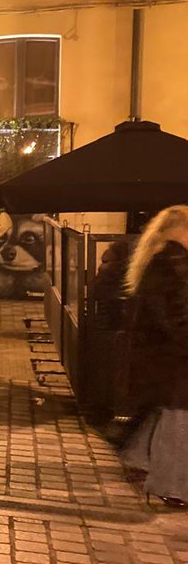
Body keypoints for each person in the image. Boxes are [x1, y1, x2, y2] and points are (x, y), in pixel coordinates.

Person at [122, 204, 188, 506]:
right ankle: (171, 486)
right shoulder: (174, 263)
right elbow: (175, 315)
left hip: (159, 355)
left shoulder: (160, 259)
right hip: (172, 356)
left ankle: (138, 457)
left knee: (167, 413)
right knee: (178, 418)